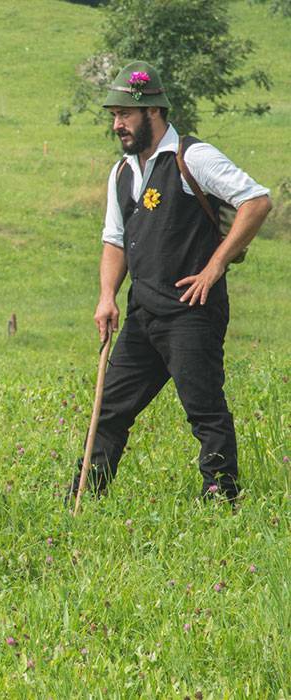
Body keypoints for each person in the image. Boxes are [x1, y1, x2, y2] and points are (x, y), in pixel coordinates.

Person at [69, 61, 272, 502]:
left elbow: (256, 201)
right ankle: (84, 498)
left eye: (125, 114)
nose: (117, 124)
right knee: (109, 410)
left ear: (153, 112)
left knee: (203, 410)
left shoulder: (192, 157)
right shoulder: (121, 171)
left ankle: (221, 497)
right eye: (114, 115)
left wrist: (216, 265)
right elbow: (114, 239)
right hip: (143, 313)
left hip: (192, 313)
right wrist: (107, 297)